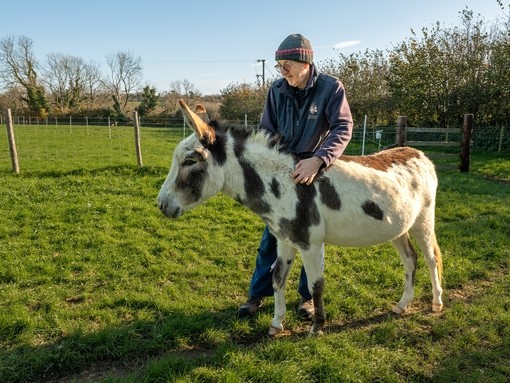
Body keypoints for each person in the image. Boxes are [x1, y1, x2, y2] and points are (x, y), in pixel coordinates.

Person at [238, 33, 354, 319]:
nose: (282, 71)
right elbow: (266, 131)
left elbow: (343, 127)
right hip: (281, 171)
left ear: (306, 62)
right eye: (279, 66)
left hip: (313, 170)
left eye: (287, 64)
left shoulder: (330, 88)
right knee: (273, 235)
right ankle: (257, 294)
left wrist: (318, 159)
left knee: (309, 238)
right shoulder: (277, 90)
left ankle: (307, 299)